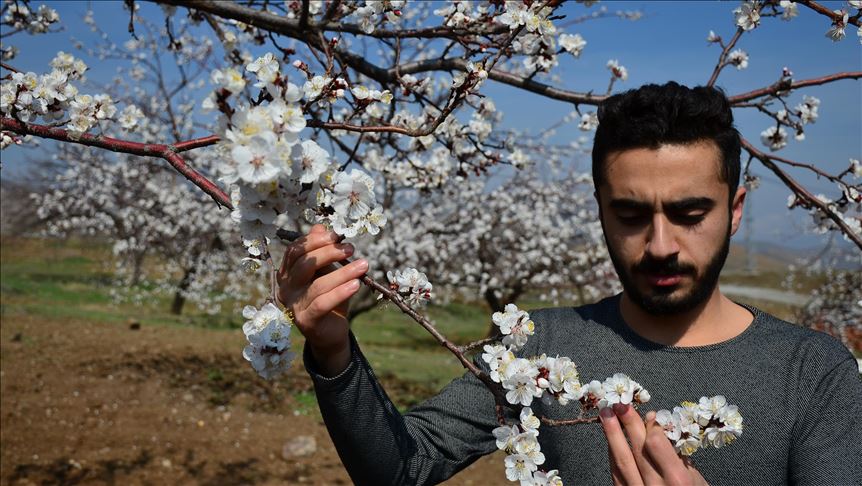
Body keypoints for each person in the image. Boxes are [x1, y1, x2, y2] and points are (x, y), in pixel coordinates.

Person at [277, 82, 862, 485]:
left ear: (734, 211)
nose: (660, 244)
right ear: (600, 209)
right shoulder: (537, 344)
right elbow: (404, 469)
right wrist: (333, 354)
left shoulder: (814, 374)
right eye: (631, 215)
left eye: (689, 213)